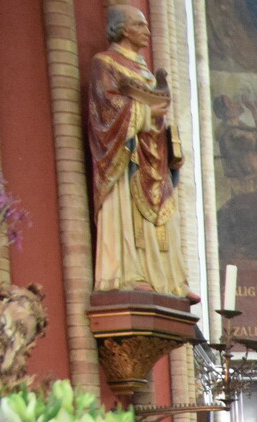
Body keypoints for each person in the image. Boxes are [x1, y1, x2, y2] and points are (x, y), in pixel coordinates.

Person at [88, 5, 188, 294]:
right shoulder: (105, 62)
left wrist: (167, 134)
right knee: (129, 211)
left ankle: (169, 280)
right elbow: (105, 108)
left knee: (164, 212)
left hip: (154, 151)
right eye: (139, 25)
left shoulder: (144, 69)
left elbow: (159, 108)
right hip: (126, 152)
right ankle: (130, 274)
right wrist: (145, 111)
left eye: (146, 25)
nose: (147, 31)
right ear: (122, 29)